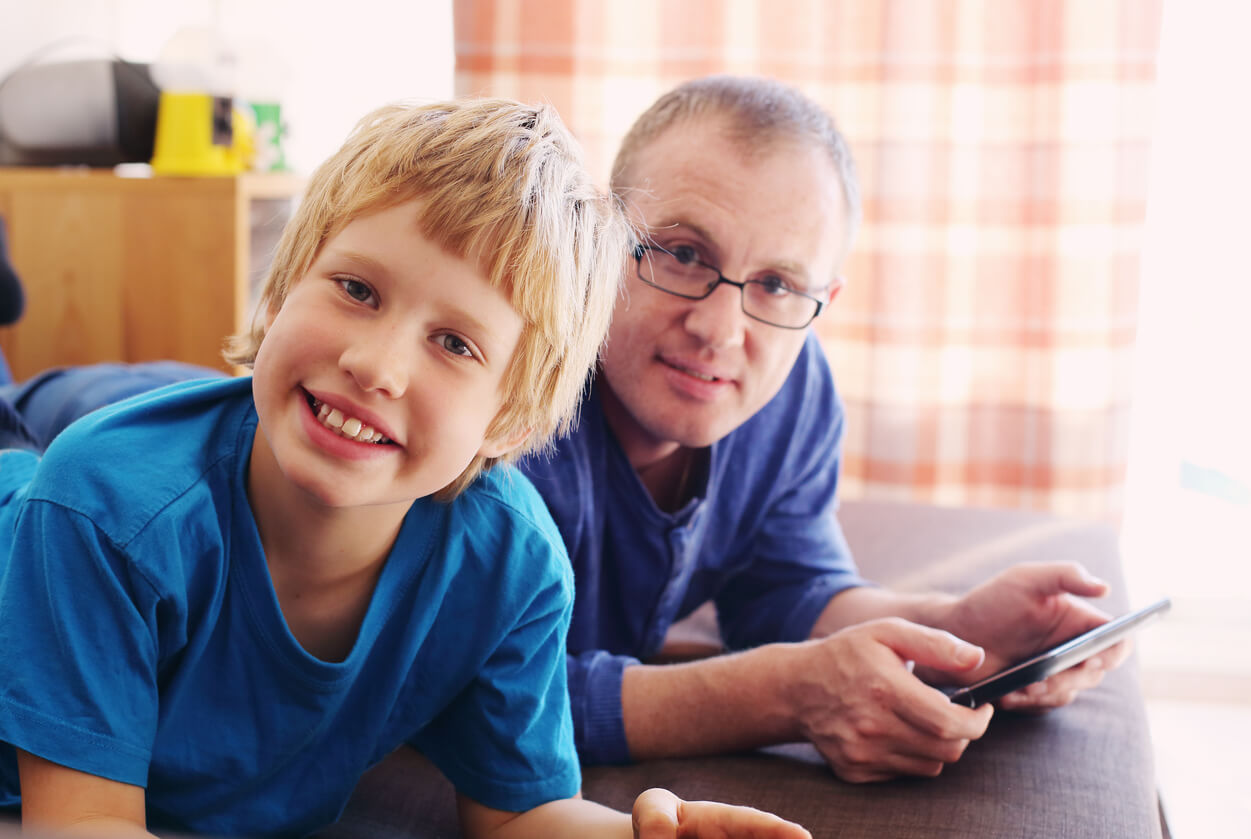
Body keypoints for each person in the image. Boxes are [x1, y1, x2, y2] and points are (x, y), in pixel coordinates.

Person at [0, 98, 810, 839]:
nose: (376, 364)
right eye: (355, 289)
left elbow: (518, 813)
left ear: (511, 421)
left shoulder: (511, 565)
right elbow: (81, 822)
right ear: (276, 295)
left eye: (455, 343)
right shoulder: (103, 507)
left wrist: (637, 834)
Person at [516, 75, 1131, 783]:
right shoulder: (515, 395)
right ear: (604, 233)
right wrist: (783, 695)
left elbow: (787, 588)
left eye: (776, 284)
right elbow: (480, 690)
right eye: (683, 253)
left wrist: (950, 631)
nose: (720, 330)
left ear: (822, 299)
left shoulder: (793, 386)